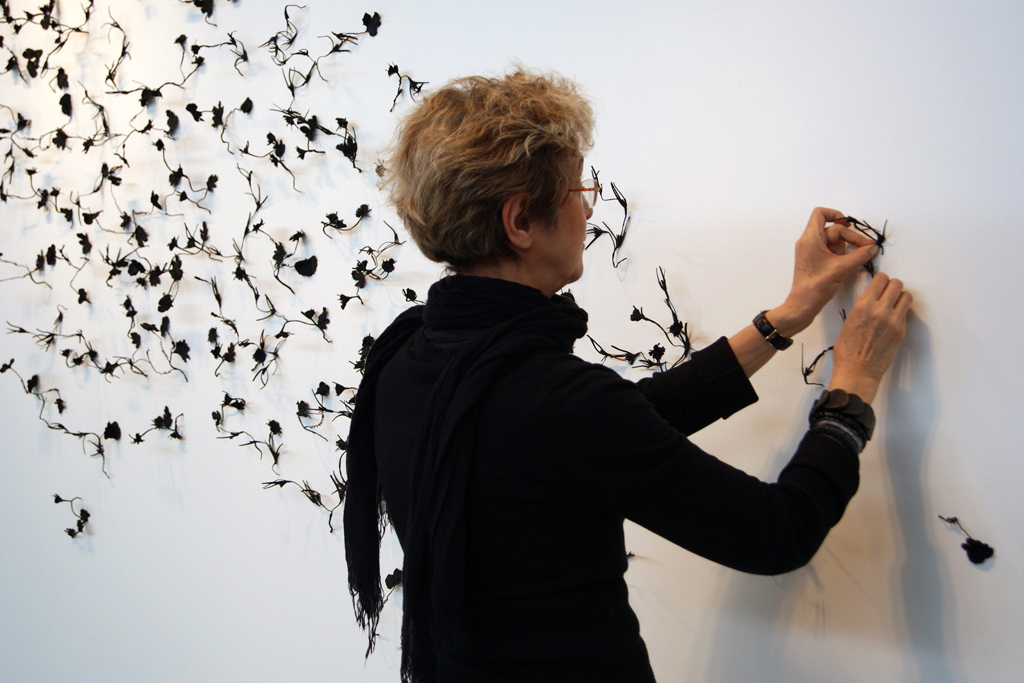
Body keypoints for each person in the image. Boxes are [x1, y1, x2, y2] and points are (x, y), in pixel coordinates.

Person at [344, 70, 912, 683]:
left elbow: (606, 430)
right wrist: (850, 390)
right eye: (574, 192)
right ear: (520, 223)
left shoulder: (412, 355)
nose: (587, 209)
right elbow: (776, 534)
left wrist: (786, 317)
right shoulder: (550, 397)